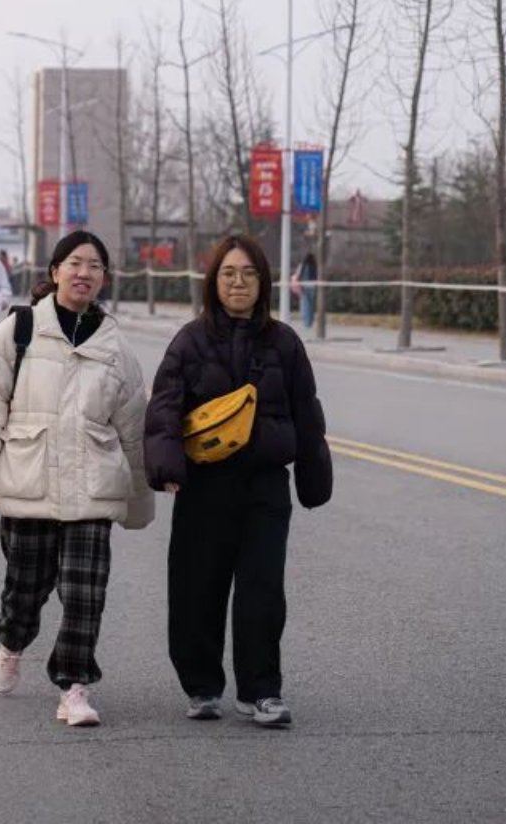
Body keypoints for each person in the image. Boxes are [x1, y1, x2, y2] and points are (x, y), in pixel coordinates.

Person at [0, 230, 154, 729]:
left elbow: (133, 424)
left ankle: (74, 686)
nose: (84, 273)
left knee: (86, 593)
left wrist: (140, 495)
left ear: (104, 278)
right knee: (25, 590)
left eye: (95, 266)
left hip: (92, 487)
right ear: (55, 271)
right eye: (75, 263)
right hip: (29, 480)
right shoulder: (18, 331)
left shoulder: (114, 346)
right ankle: (12, 642)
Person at [145, 234, 330, 729]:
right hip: (205, 485)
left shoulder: (284, 343)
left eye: (249, 273)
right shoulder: (190, 341)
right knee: (197, 587)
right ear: (214, 281)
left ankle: (261, 691)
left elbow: (307, 413)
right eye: (228, 273)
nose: (238, 282)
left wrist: (313, 478)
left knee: (262, 590)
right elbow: (164, 408)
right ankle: (202, 686)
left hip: (265, 487)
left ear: (263, 282)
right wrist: (166, 468)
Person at [293, 251, 319, 329]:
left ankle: (306, 321)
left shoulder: (303, 265)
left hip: (304, 285)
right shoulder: (314, 266)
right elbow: (315, 276)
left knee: (305, 304)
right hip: (312, 286)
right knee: (311, 305)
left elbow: (299, 275)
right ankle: (310, 321)